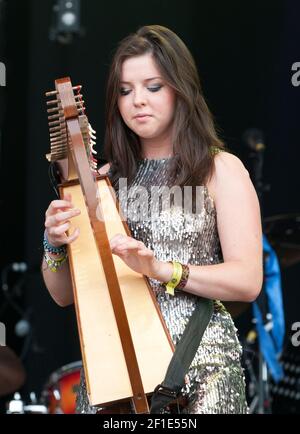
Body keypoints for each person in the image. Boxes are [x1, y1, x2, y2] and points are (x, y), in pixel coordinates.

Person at [42, 25, 263, 414]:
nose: (137, 101)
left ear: (181, 90)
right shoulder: (103, 184)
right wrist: (53, 243)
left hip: (203, 370)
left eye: (153, 87)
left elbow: (247, 281)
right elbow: (62, 295)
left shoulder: (220, 170)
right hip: (118, 378)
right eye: (125, 90)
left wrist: (162, 269)